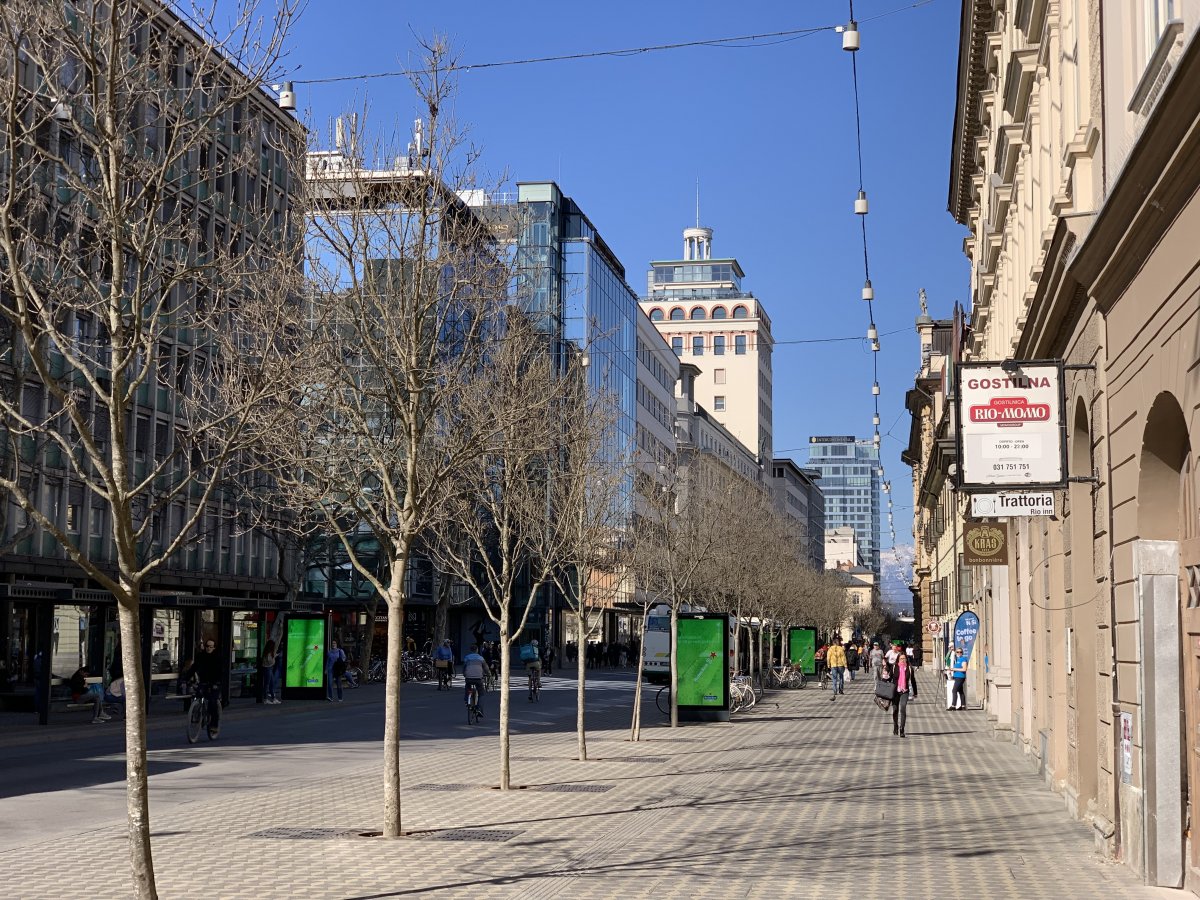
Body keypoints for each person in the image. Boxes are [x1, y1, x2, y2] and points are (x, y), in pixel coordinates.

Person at [184, 639, 222, 737]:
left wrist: (217, 683)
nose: (208, 648)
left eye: (211, 646)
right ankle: (196, 714)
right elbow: (194, 668)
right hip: (204, 681)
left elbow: (220, 671)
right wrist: (186, 678)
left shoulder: (217, 657)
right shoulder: (201, 656)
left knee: (213, 702)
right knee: (197, 695)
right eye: (207, 646)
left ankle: (214, 725)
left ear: (214, 648)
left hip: (214, 683)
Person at [885, 648, 918, 737]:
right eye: (901, 659)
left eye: (904, 658)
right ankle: (895, 725)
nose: (903, 660)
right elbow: (889, 678)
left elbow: (913, 681)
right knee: (895, 710)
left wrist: (915, 692)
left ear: (906, 659)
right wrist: (884, 679)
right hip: (895, 691)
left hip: (905, 691)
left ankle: (902, 728)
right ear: (898, 659)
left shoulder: (909, 669)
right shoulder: (894, 667)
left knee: (902, 708)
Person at [461, 644, 490, 715]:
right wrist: (489, 674)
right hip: (478, 678)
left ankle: (466, 700)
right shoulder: (481, 658)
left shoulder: (467, 657)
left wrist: (464, 673)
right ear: (477, 650)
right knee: (481, 694)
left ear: (470, 650)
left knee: (467, 688)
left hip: (469, 678)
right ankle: (479, 709)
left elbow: (464, 667)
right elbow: (486, 668)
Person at [261, 640, 280, 705]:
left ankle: (273, 698)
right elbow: (270, 662)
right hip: (268, 668)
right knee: (267, 684)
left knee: (270, 684)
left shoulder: (267, 652)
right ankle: (265, 699)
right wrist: (274, 657)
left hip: (269, 669)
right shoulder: (268, 653)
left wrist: (274, 656)